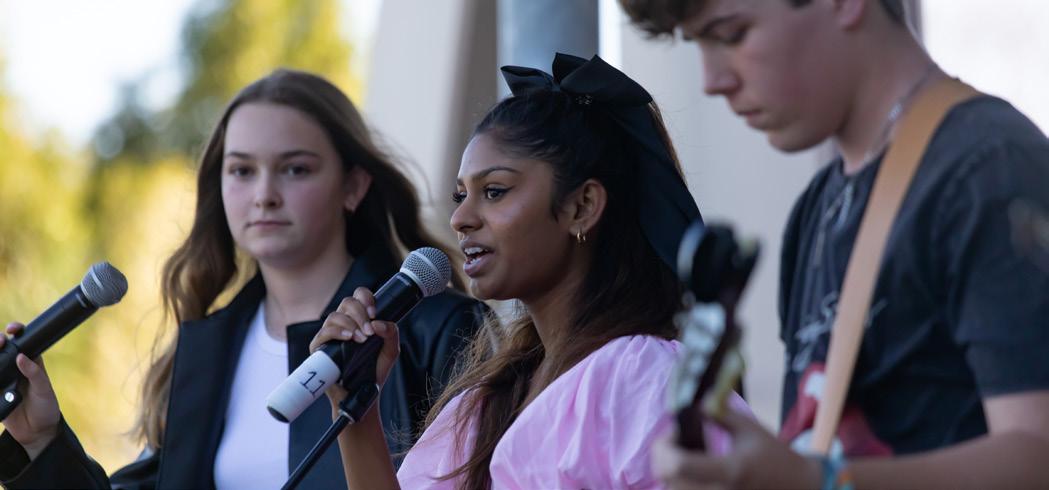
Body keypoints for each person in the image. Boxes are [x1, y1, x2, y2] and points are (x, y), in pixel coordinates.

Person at [617, 0, 1049, 488]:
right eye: (695, 43)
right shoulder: (816, 208)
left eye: (731, 34)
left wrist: (814, 480)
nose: (712, 81)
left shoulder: (990, 169)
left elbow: (1038, 453)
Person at [0, 69, 486, 489]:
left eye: (295, 169)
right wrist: (41, 440)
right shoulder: (205, 351)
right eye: (242, 170)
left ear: (354, 186)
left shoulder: (439, 331)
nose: (264, 194)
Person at [309, 53, 751, 490]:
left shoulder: (645, 378)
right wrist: (355, 412)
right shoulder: (483, 405)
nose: (460, 218)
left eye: (494, 191)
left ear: (582, 207)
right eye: (460, 195)